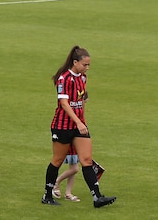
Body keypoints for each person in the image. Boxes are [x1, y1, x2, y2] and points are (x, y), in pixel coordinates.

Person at [41, 46, 116, 208]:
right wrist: (78, 121)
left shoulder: (83, 78)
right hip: (62, 126)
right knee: (58, 160)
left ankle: (97, 198)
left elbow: (80, 102)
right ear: (75, 62)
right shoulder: (63, 78)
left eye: (89, 65)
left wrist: (82, 120)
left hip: (79, 126)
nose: (87, 68)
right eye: (85, 65)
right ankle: (47, 195)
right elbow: (64, 103)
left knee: (86, 160)